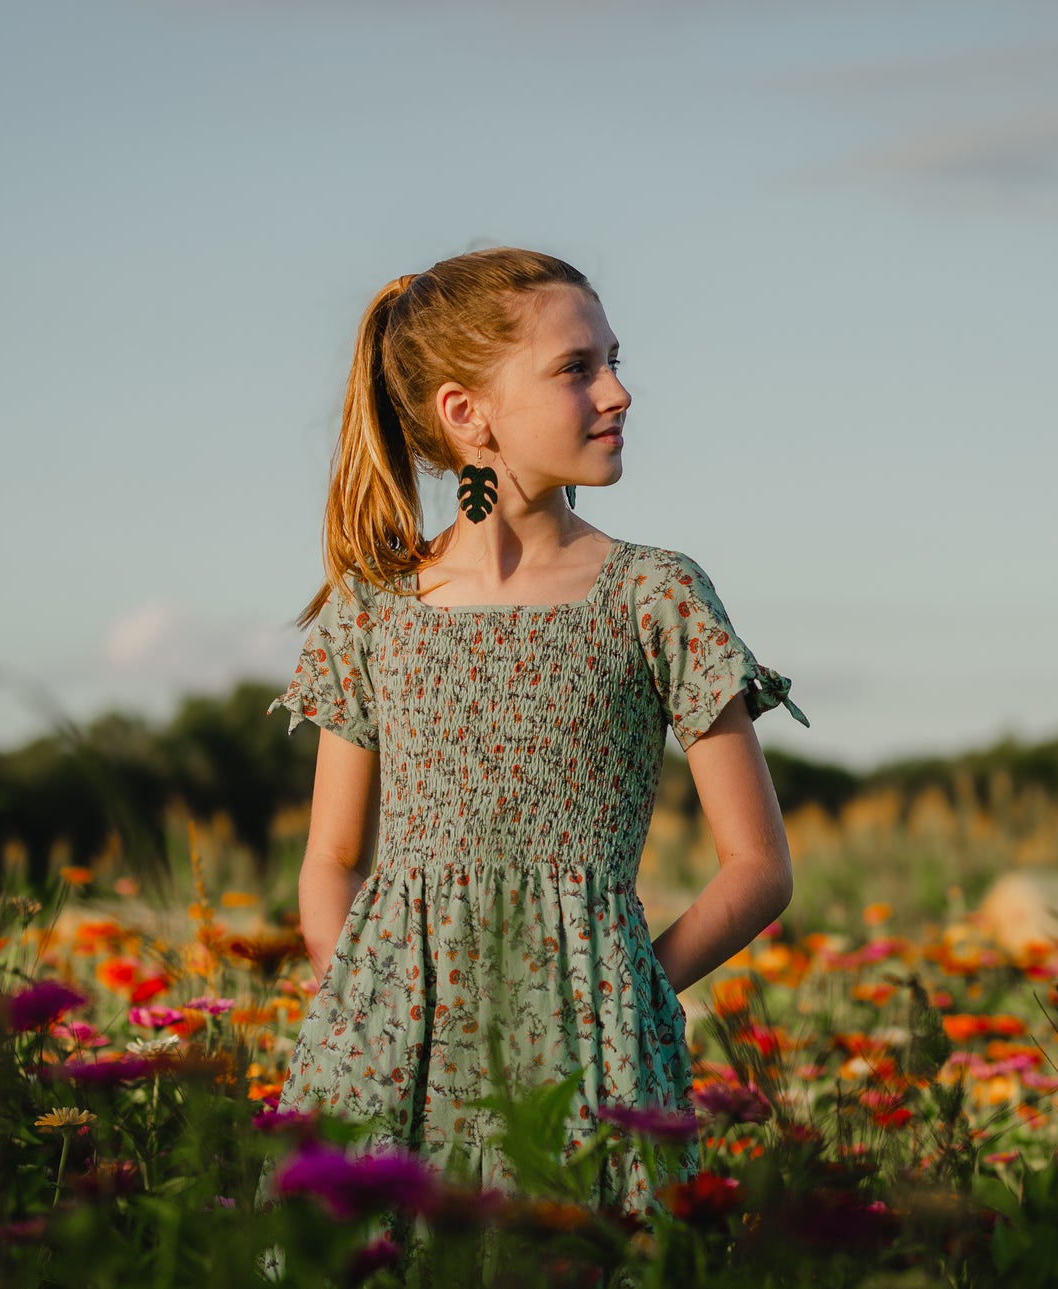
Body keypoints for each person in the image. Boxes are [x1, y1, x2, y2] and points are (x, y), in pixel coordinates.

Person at [258, 246, 809, 1265]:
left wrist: (630, 989)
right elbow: (331, 858)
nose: (617, 389)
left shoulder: (656, 594)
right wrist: (360, 1013)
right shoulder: (373, 610)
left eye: (611, 359)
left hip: (595, 1049)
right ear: (467, 411)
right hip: (388, 1056)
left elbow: (759, 867)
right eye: (576, 367)